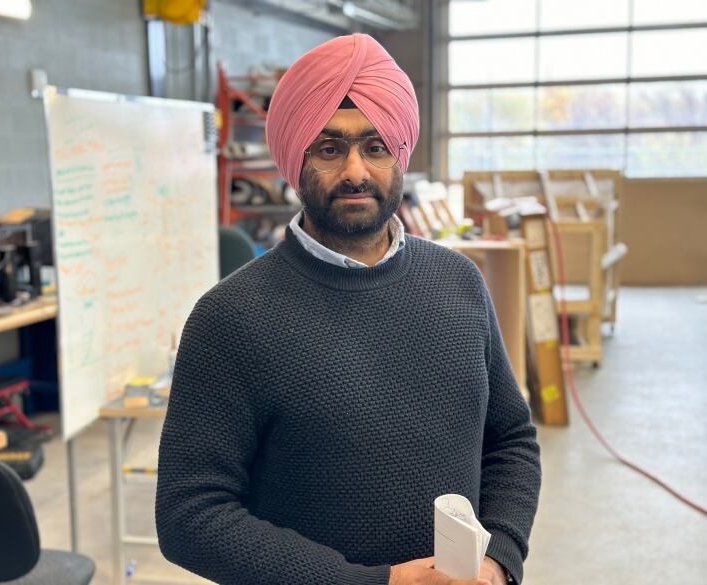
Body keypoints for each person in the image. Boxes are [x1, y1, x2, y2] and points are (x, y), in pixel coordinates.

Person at [156, 33, 541, 585]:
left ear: (400, 155)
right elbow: (189, 514)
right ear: (297, 159)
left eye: (376, 146)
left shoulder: (459, 283)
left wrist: (498, 559)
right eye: (330, 149)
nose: (356, 171)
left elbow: (510, 440)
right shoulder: (231, 317)